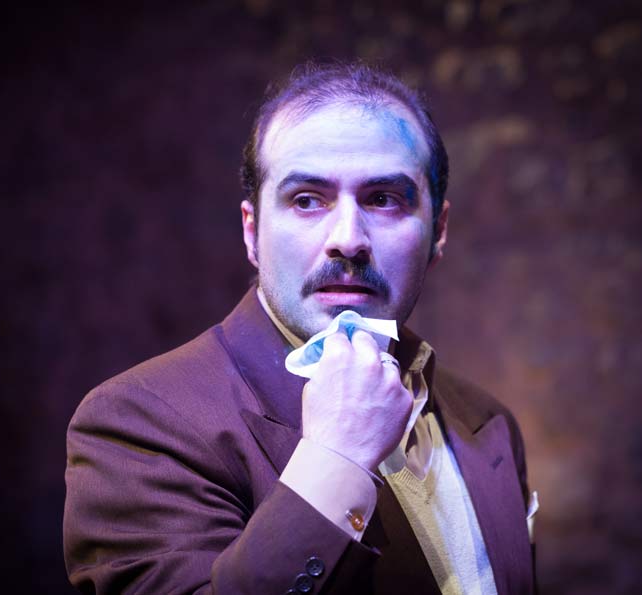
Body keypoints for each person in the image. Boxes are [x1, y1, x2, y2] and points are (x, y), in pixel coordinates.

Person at [63, 61, 537, 594]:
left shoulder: (487, 421)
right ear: (252, 232)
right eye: (307, 200)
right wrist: (337, 460)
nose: (348, 239)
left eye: (383, 199)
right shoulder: (140, 423)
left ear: (439, 231)